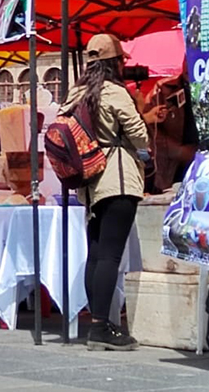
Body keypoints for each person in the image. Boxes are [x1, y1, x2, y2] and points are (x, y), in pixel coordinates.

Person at [59, 34, 152, 352]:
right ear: (115, 62)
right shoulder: (115, 92)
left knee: (95, 255)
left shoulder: (75, 93)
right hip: (118, 178)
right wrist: (142, 114)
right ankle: (101, 327)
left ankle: (97, 323)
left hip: (89, 182)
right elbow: (140, 137)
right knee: (111, 255)